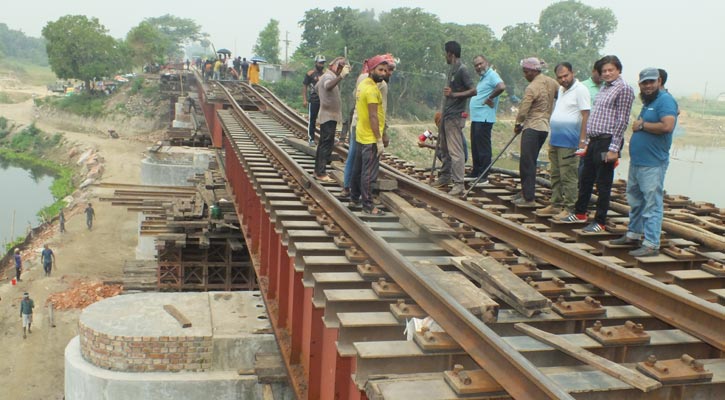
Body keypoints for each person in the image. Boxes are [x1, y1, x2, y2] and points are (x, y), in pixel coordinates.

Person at [560, 55, 635, 232]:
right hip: (594, 141)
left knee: (603, 184)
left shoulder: (623, 89)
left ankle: (600, 221)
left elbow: (622, 121)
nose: (607, 73)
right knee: (585, 179)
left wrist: (614, 148)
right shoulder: (604, 87)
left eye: (611, 70)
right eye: (604, 71)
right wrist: (586, 143)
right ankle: (580, 213)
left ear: (619, 70)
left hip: (607, 141)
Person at [609, 68, 678, 257]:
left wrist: (642, 125)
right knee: (636, 201)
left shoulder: (664, 100)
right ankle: (633, 234)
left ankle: (651, 244)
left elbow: (667, 126)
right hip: (638, 162)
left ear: (659, 81)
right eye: (644, 83)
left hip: (653, 163)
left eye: (651, 82)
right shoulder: (649, 102)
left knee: (651, 204)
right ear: (640, 84)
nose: (648, 86)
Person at [341, 54, 396, 199]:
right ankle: (367, 199)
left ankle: (349, 189)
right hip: (370, 129)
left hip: (357, 124)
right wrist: (381, 135)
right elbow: (379, 112)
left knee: (353, 159)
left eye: (388, 70)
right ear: (374, 69)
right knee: (369, 167)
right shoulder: (380, 86)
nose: (387, 73)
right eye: (385, 69)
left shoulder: (362, 79)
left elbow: (355, 97)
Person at [541, 62, 590, 217]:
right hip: (556, 139)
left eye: (566, 75)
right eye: (560, 77)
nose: (563, 79)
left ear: (573, 73)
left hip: (570, 141)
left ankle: (570, 208)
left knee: (568, 175)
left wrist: (582, 141)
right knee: (555, 174)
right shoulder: (562, 90)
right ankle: (555, 203)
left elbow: (586, 115)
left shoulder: (580, 90)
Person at [513, 57, 559, 206]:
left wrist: (518, 124)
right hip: (544, 128)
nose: (525, 75)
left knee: (527, 162)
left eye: (526, 72)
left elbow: (523, 111)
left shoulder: (532, 87)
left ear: (533, 71)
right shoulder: (552, 82)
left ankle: (528, 197)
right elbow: (561, 95)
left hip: (532, 127)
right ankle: (526, 191)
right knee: (531, 161)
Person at [434, 41, 476, 196]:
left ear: (450, 53)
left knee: (455, 151)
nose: (445, 56)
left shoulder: (462, 70)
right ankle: (445, 176)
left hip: (455, 116)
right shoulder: (452, 69)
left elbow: (473, 91)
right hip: (447, 114)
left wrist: (453, 95)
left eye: (446, 53)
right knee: (444, 148)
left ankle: (459, 184)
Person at [350, 56, 389, 215]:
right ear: (371, 70)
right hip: (370, 137)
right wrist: (379, 139)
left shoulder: (363, 84)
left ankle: (354, 197)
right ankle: (368, 205)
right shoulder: (372, 90)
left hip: (361, 133)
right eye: (380, 70)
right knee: (368, 172)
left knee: (358, 169)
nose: (383, 73)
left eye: (385, 71)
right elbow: (373, 116)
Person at [313, 57, 351, 182]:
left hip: (329, 115)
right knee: (326, 144)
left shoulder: (326, 75)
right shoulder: (329, 76)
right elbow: (327, 86)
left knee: (324, 143)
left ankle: (318, 170)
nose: (340, 69)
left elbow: (317, 87)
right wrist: (341, 77)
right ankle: (321, 173)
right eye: (339, 66)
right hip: (328, 115)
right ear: (332, 65)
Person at [468, 55, 505, 181]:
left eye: (480, 63)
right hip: (477, 118)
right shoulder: (483, 78)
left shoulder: (492, 75)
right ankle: (476, 172)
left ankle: (483, 175)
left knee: (483, 147)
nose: (479, 67)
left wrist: (490, 98)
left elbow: (501, 87)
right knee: (475, 146)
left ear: (487, 63)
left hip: (485, 118)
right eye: (476, 65)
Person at [302, 55, 326, 146]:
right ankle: (311, 139)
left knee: (324, 120)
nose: (321, 65)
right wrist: (304, 99)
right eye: (320, 63)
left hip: (323, 101)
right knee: (312, 120)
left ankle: (323, 139)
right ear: (316, 63)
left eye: (323, 63)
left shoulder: (325, 74)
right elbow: (305, 85)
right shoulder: (310, 74)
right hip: (313, 100)